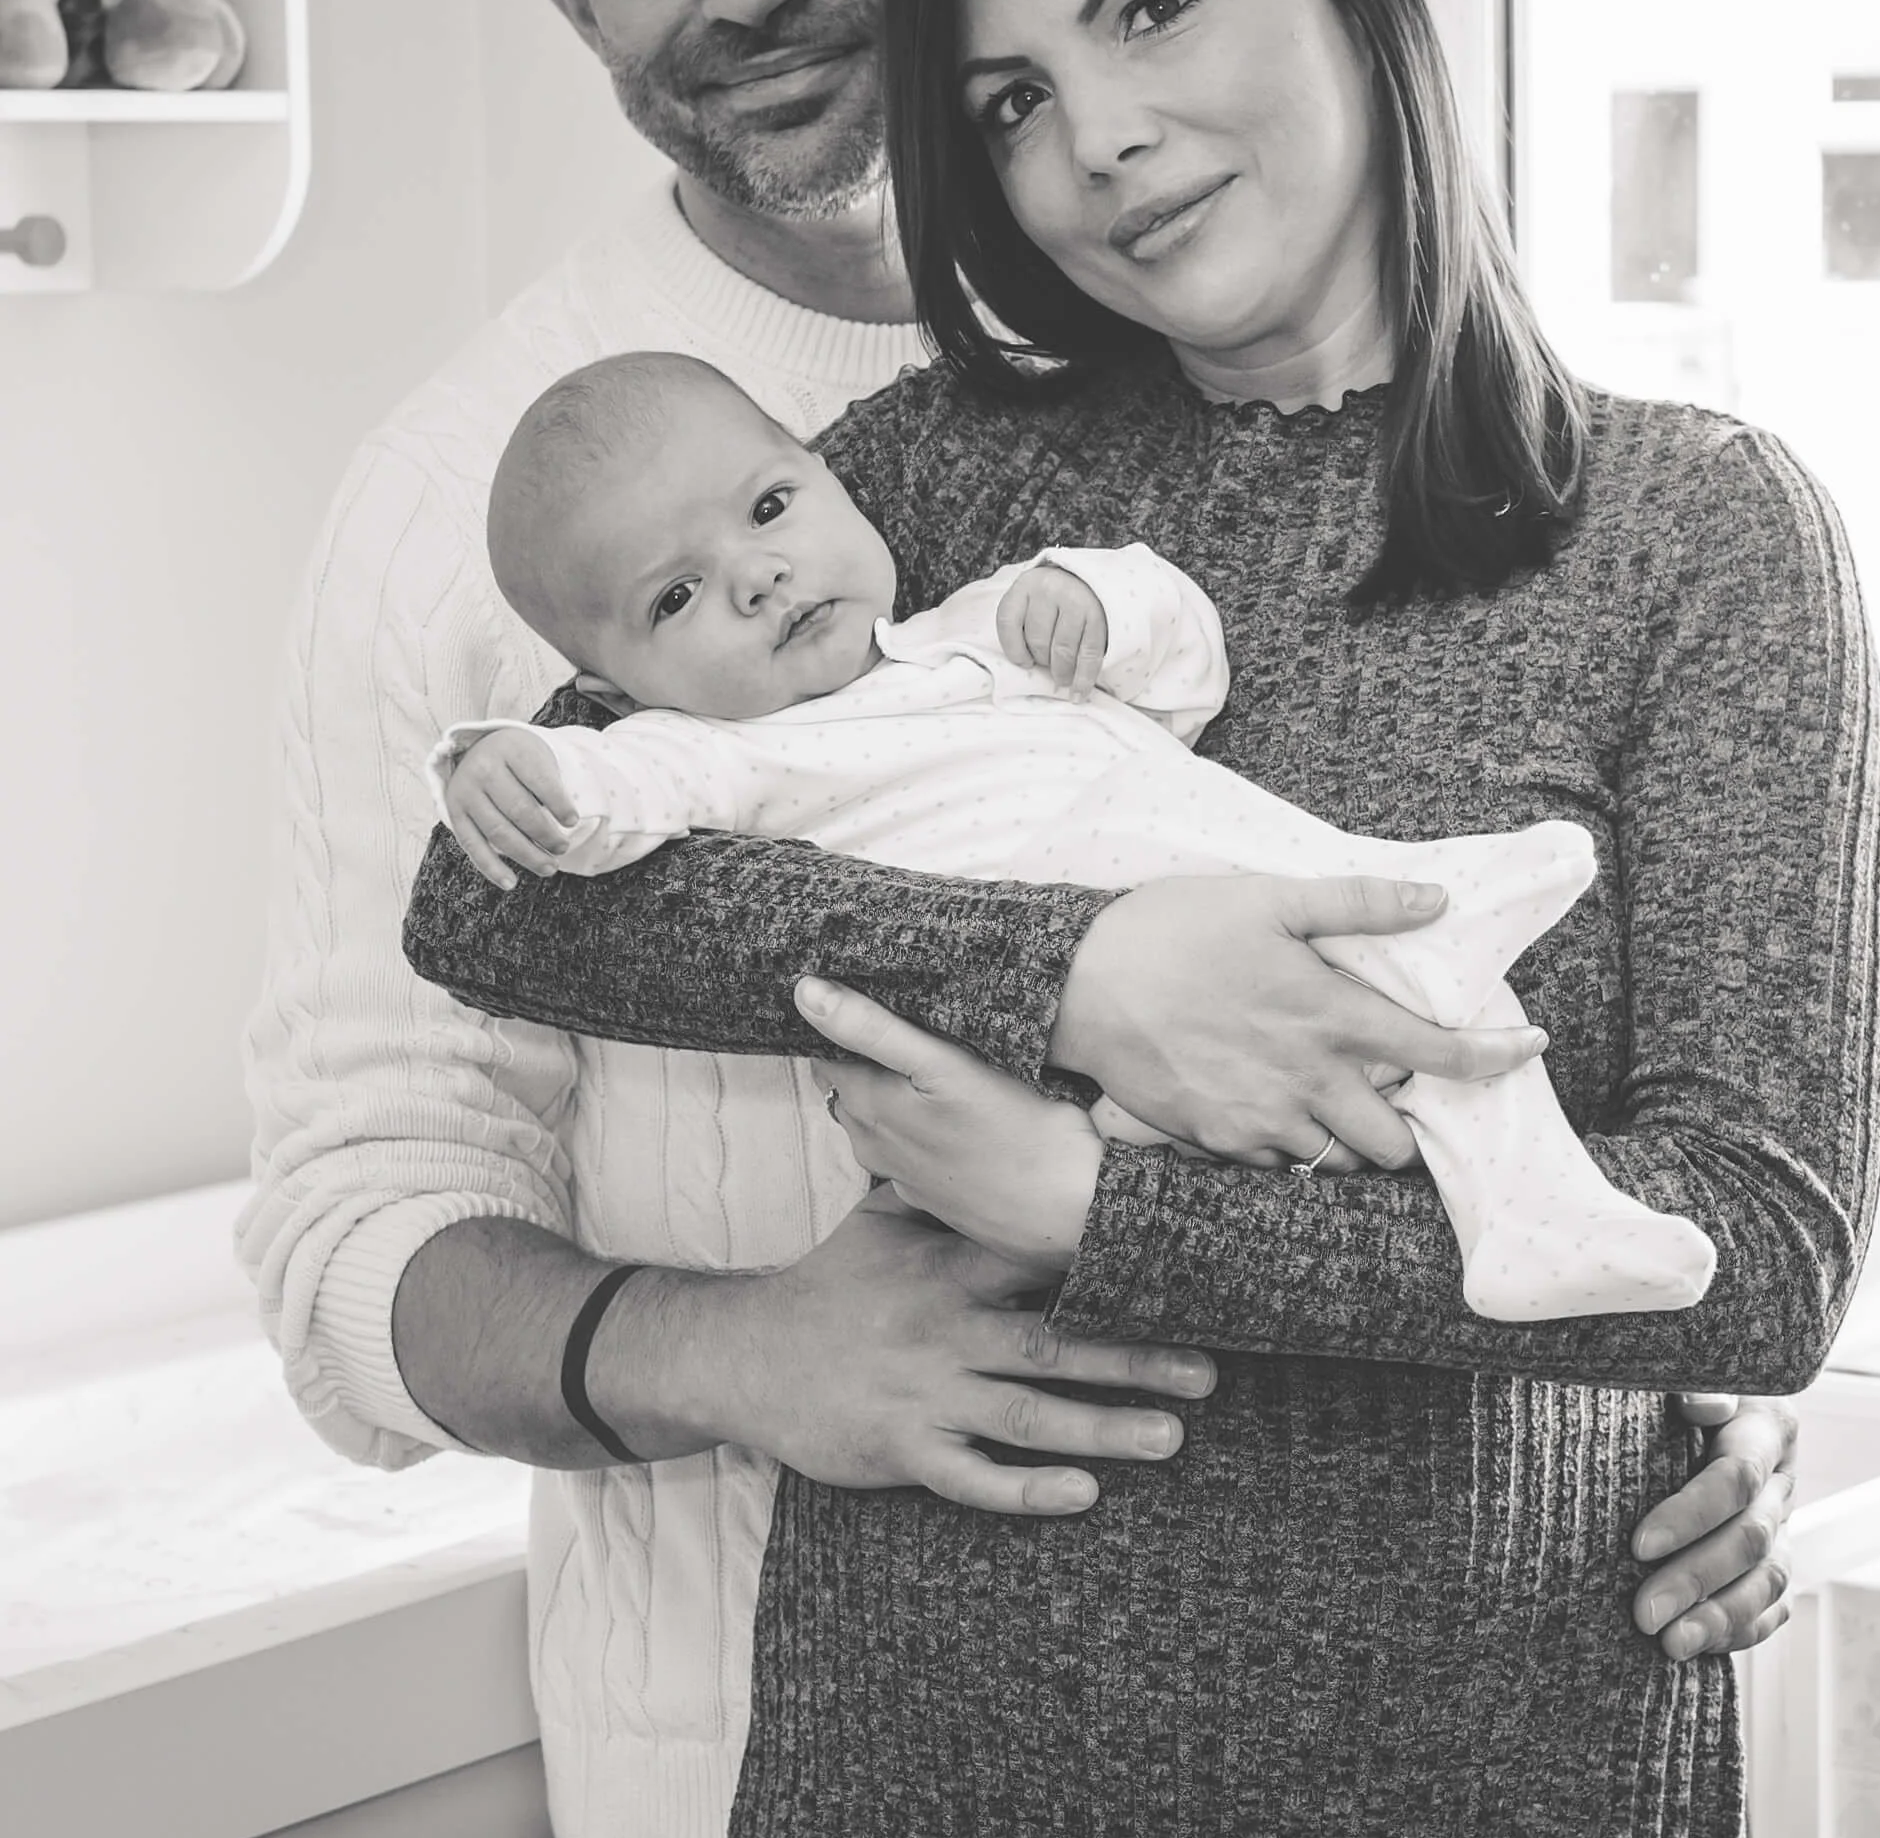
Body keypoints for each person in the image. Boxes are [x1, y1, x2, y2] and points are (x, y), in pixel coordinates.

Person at [241, 0, 1804, 1838]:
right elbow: (367, 1166)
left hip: (1420, 1785)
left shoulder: (1151, 412)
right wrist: (754, 1338)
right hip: (780, 1764)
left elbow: (1609, 1080)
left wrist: (1638, 1375)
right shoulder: (480, 495)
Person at [434, 346, 1717, 1322]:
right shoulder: (726, 755)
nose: (756, 577)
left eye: (769, 510)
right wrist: (508, 766)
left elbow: (1184, 672)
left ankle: (1531, 1183)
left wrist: (1097, 599)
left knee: (1422, 993)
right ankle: (1516, 1185)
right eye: (675, 597)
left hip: (1240, 865)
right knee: (1408, 1016)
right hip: (1098, 1054)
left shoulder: (975, 626)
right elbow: (597, 805)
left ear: (832, 480)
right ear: (616, 686)